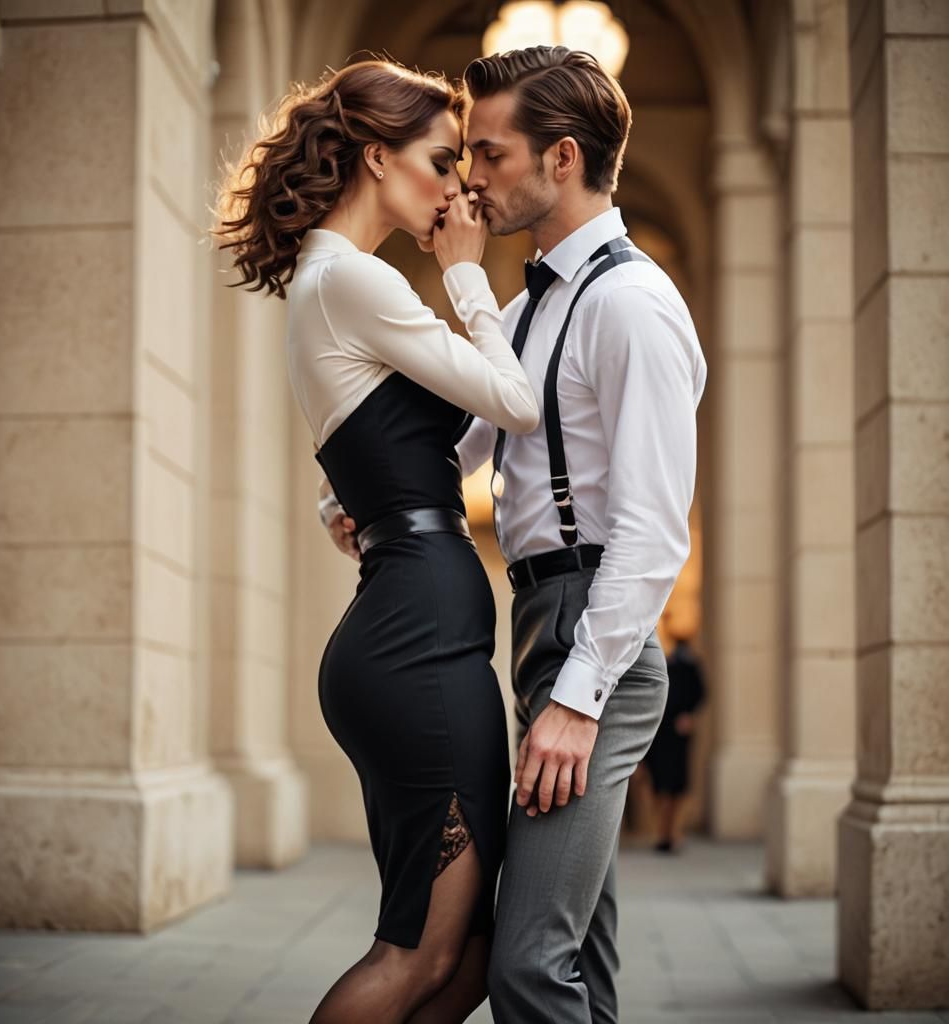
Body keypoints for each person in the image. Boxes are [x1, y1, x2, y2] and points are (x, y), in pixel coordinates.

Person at [324, 45, 706, 1024]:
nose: (469, 175)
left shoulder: (629, 304)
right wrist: (362, 503)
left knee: (526, 964)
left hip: (595, 642)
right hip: (541, 619)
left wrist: (579, 699)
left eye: (489, 153)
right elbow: (470, 434)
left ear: (562, 158)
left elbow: (655, 530)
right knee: (578, 949)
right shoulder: (540, 300)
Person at [216, 60, 539, 1024]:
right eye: (443, 160)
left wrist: (344, 508)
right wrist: (472, 273)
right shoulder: (349, 279)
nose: (459, 187)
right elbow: (515, 404)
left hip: (420, 630)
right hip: (412, 645)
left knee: (469, 954)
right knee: (419, 949)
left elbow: (368, 462)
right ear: (376, 157)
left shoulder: (335, 284)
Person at [644, 636, 707, 853]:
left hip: (677, 732)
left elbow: (699, 693)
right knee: (658, 782)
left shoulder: (688, 666)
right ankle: (660, 833)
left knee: (677, 784)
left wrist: (688, 715)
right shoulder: (654, 659)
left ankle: (674, 832)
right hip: (657, 731)